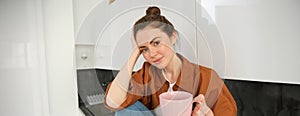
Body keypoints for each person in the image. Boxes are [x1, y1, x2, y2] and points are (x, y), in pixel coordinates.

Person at [104, 6, 237, 116]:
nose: (152, 54)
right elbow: (113, 102)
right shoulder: (147, 74)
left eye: (156, 43)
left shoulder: (207, 77)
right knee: (126, 111)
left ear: (173, 37)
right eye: (144, 49)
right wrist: (134, 54)